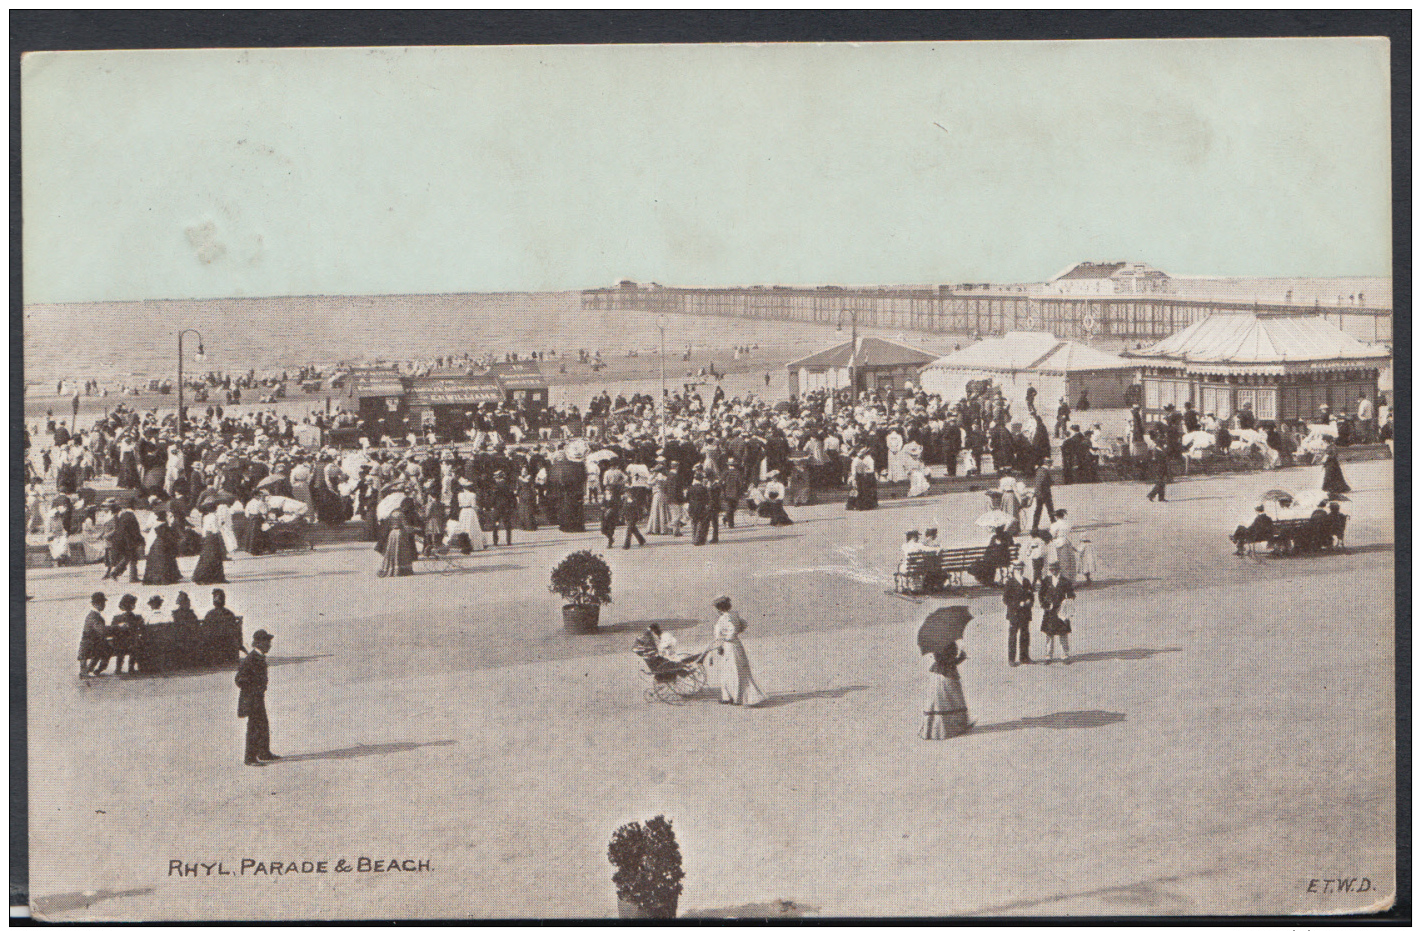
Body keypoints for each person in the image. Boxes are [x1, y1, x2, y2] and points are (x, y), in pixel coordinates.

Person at [707, 596, 765, 706]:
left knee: (733, 672)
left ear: (719, 608)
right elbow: (743, 624)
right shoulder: (733, 615)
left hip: (730, 647)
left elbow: (733, 629)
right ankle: (729, 697)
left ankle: (736, 698)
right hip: (733, 645)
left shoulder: (725, 617)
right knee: (730, 671)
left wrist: (726, 638)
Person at [236, 628, 281, 766]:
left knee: (262, 725)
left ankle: (263, 753)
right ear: (259, 643)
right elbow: (239, 679)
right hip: (251, 699)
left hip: (257, 698)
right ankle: (249, 758)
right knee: (254, 727)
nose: (269, 645)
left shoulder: (258, 657)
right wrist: (254, 687)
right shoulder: (251, 659)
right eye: (267, 642)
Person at [918, 642, 973, 739]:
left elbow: (943, 660)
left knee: (939, 701)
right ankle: (953, 728)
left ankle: (934, 730)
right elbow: (948, 662)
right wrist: (961, 657)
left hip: (938, 674)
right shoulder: (948, 643)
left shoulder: (936, 644)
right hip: (947, 674)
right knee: (952, 699)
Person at [1038, 559, 1075, 663]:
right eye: (1051, 569)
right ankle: (1048, 656)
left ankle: (1065, 655)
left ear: (1059, 569)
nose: (1053, 571)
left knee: (1063, 633)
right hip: (1050, 612)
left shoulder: (1065, 581)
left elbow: (1071, 595)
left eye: (1055, 569)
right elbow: (1041, 594)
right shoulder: (1046, 581)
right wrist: (1044, 604)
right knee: (1049, 634)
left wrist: (1066, 603)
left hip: (1061, 612)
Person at [105, 500, 145, 582]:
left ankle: (118, 573)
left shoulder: (121, 516)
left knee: (128, 557)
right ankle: (130, 577)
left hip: (122, 540)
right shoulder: (130, 515)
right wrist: (139, 539)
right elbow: (134, 530)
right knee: (133, 558)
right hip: (129, 541)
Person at [1003, 559, 1034, 666]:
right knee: (1013, 636)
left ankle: (1024, 657)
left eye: (1021, 569)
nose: (1019, 571)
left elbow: (1031, 595)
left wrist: (1030, 601)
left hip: (1025, 613)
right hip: (1014, 613)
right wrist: (1017, 604)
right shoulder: (1010, 582)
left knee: (1025, 635)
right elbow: (1006, 599)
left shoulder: (1026, 581)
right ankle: (1011, 659)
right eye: (1017, 569)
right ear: (1014, 570)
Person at [142, 509, 184, 585]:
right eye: (168, 516)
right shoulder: (163, 525)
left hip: (157, 544)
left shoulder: (158, 524)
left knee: (156, 561)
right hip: (163, 544)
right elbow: (166, 536)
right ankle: (163, 578)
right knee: (164, 561)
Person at [190, 503, 227, 584]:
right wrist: (221, 525)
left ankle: (202, 576)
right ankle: (216, 577)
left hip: (207, 537)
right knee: (215, 556)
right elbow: (215, 529)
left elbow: (205, 528)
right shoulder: (214, 516)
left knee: (207, 556)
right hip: (213, 537)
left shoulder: (206, 517)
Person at [109, 592, 144, 674]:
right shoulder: (136, 617)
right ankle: (131, 668)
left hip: (120, 644)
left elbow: (112, 630)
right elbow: (141, 629)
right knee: (134, 645)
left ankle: (118, 668)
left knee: (122, 647)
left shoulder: (116, 618)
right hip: (130, 643)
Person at [78, 592, 110, 677]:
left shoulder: (93, 615)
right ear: (95, 604)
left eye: (104, 603)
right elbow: (101, 630)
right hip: (90, 644)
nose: (104, 605)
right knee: (108, 648)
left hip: (90, 643)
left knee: (105, 647)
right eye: (102, 603)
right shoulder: (94, 616)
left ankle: (90, 670)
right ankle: (92, 670)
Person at [378, 510, 417, 577]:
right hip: (400, 533)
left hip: (392, 533)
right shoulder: (401, 514)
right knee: (401, 551)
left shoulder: (391, 514)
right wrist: (413, 529)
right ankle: (401, 570)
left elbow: (388, 525)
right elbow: (405, 525)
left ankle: (392, 568)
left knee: (393, 550)